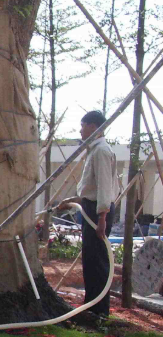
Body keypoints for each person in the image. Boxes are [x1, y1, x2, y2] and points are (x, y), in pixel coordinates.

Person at [58, 110, 117, 319]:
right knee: (90, 259)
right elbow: (91, 187)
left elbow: (104, 188)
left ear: (93, 127)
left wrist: (101, 218)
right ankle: (91, 305)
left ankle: (100, 311)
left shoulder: (101, 150)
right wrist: (73, 201)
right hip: (91, 208)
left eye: (83, 125)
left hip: (98, 211)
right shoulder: (94, 150)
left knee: (98, 260)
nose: (81, 130)